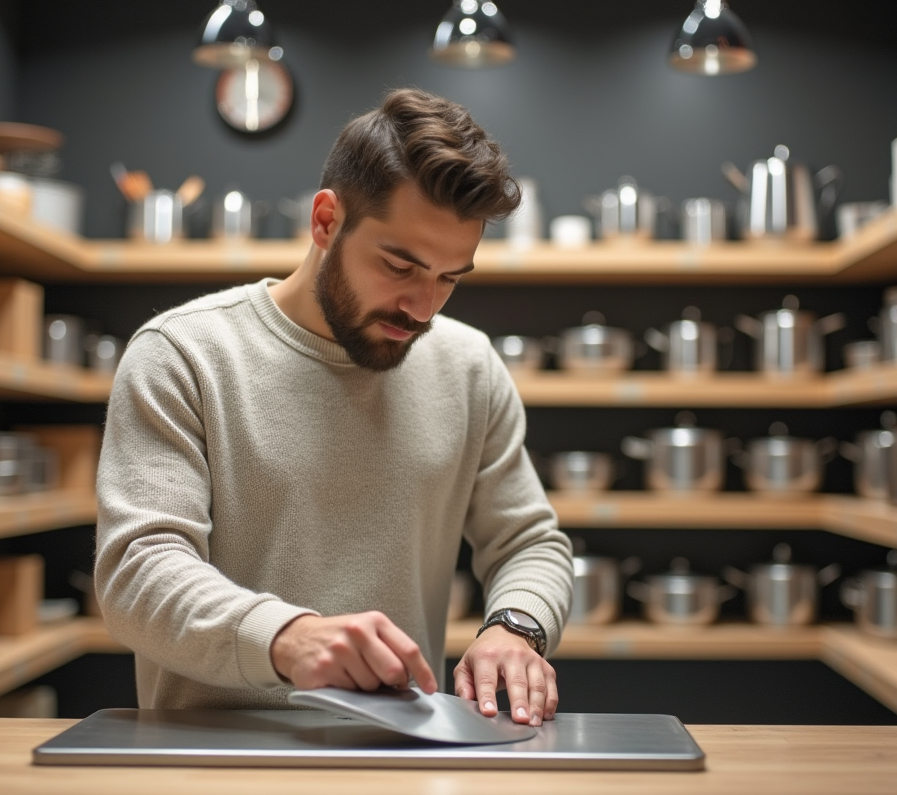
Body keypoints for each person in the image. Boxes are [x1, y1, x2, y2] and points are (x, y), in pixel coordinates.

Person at [95, 88, 573, 727]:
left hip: (403, 755)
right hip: (211, 759)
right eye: (401, 265)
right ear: (326, 221)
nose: (424, 306)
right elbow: (138, 572)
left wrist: (516, 627)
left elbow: (529, 542)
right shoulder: (183, 354)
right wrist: (286, 637)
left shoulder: (469, 366)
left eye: (450, 278)